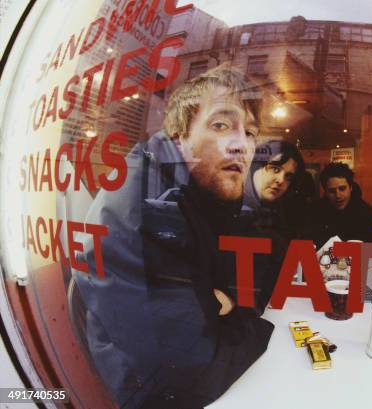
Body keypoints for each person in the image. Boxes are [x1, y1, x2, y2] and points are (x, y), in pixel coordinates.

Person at [72, 66, 274, 408]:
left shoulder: (200, 197)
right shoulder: (149, 205)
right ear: (180, 137)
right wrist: (245, 319)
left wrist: (220, 302)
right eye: (221, 124)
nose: (242, 145)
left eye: (251, 133)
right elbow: (190, 372)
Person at [240, 140, 305, 312]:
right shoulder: (235, 207)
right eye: (275, 169)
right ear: (255, 167)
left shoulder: (277, 209)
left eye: (288, 176)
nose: (281, 180)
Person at [304, 162, 372, 248]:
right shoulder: (315, 211)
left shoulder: (364, 211)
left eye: (342, 189)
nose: (338, 195)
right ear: (325, 191)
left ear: (351, 187)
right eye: (332, 191)